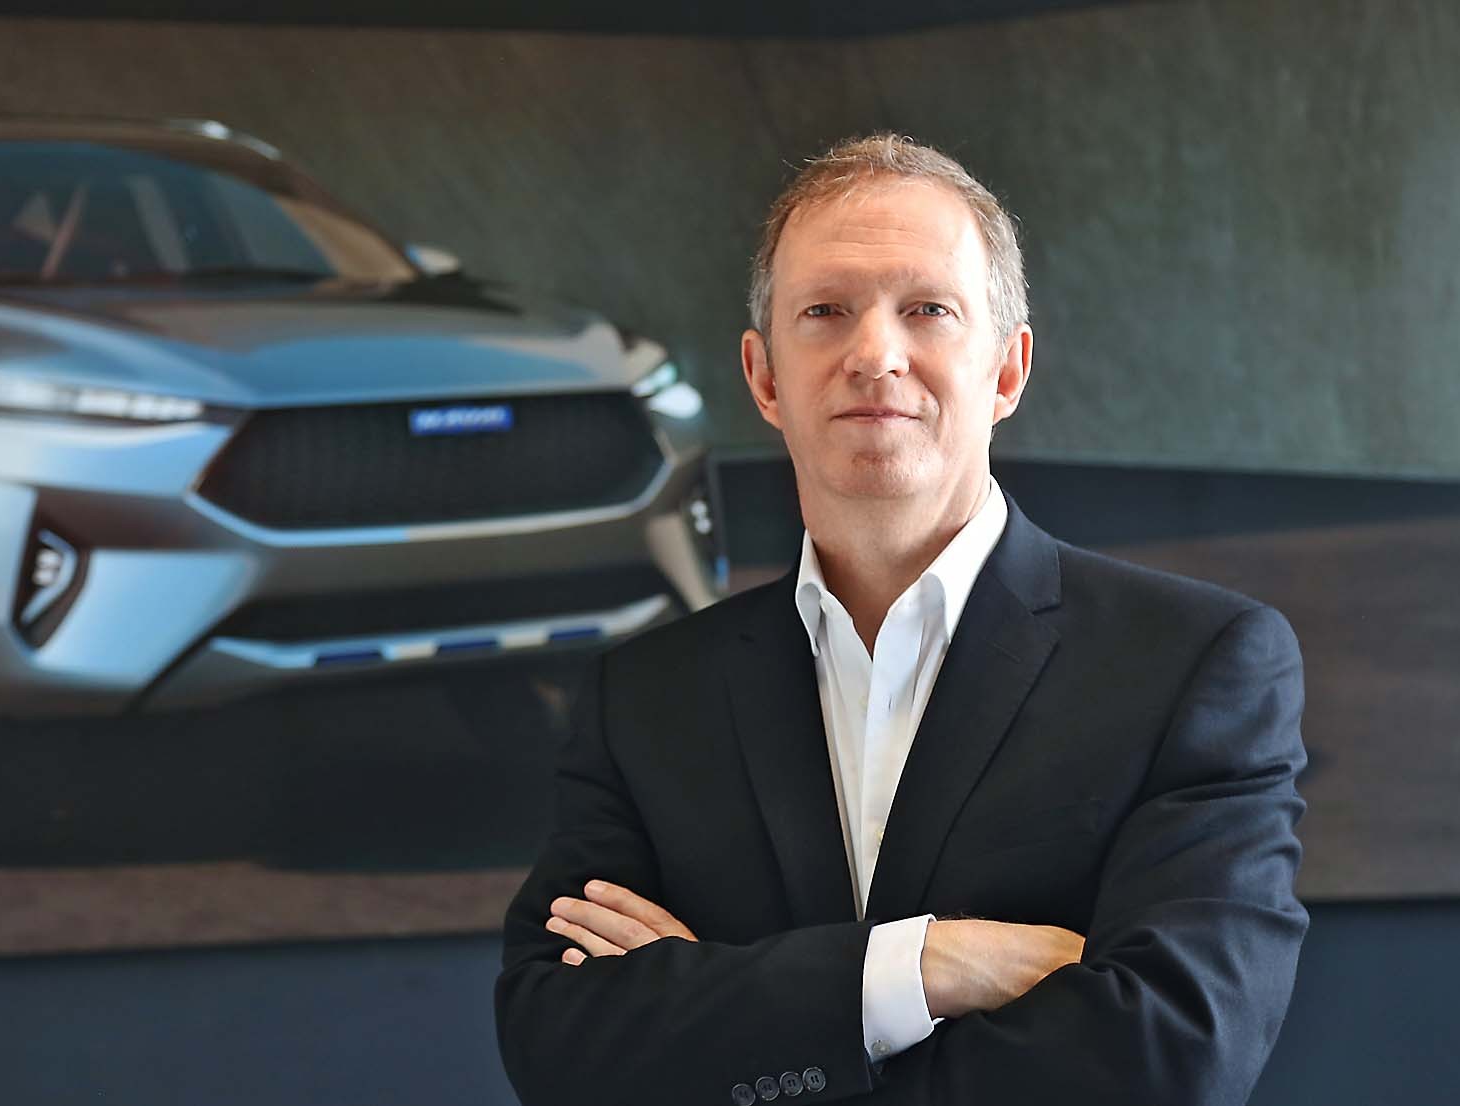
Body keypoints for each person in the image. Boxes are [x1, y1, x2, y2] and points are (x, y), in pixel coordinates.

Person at [494, 134, 1308, 1106]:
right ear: (763, 377)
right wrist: (920, 966)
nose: (874, 354)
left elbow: (1171, 1054)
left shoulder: (1192, 663)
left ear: (1006, 371)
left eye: (927, 309)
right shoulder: (645, 696)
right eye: (824, 311)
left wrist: (732, 1013)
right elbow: (561, 1043)